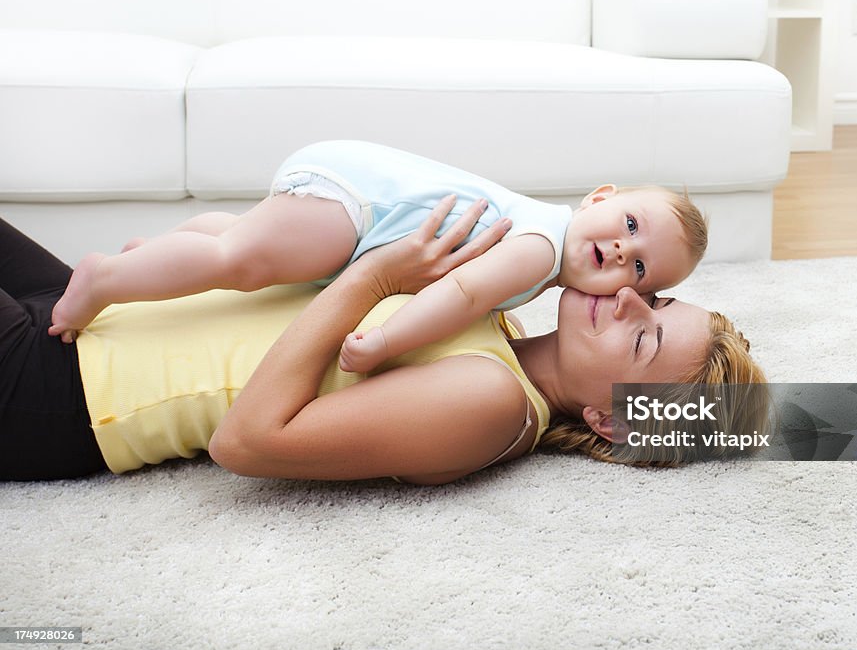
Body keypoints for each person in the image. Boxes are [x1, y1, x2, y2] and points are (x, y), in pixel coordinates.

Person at [0, 199, 767, 483]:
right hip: (81, 310)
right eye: (654, 297)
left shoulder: (491, 401)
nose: (628, 297)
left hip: (52, 390)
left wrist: (373, 280)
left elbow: (249, 441)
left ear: (610, 419)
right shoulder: (497, 310)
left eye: (643, 340)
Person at [47, 141, 708, 375]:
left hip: (357, 203)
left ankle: (157, 256)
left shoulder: (544, 243)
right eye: (628, 223)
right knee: (239, 260)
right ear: (600, 196)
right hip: (358, 206)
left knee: (256, 249)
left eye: (642, 267)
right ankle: (107, 278)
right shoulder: (538, 249)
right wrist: (384, 341)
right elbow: (463, 296)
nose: (623, 251)